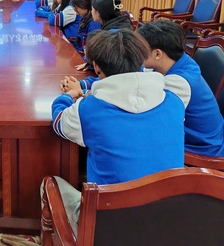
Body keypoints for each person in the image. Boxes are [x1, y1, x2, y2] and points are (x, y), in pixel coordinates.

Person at [44, 29, 184, 234]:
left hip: (110, 227)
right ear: (141, 60)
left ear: (96, 66)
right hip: (170, 221)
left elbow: (59, 122)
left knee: (49, 185)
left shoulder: (88, 110)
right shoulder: (174, 101)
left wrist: (68, 96)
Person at [137, 20, 224, 156]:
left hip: (202, 150)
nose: (137, 54)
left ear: (158, 54)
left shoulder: (179, 83)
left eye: (141, 50)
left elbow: (154, 120)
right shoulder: (177, 61)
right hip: (197, 139)